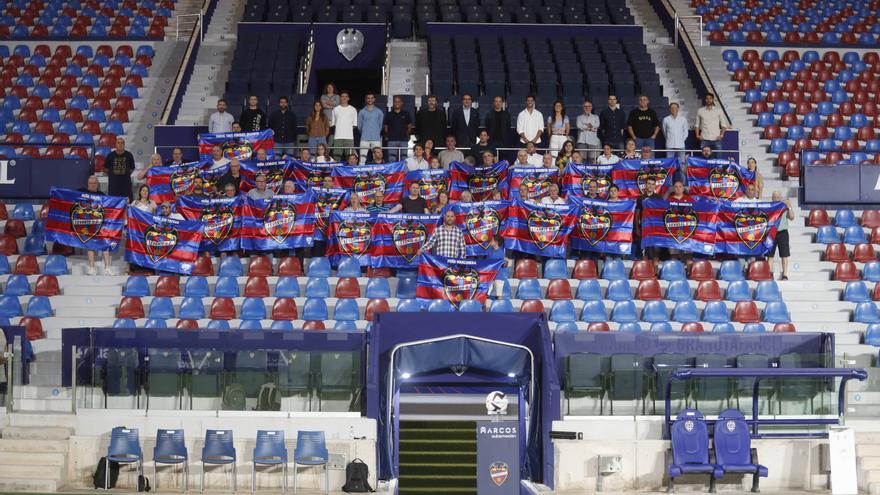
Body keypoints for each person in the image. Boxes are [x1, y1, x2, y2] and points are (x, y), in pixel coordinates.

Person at [79, 175, 113, 275]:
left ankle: (107, 267)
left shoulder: (102, 194)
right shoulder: (82, 192)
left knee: (105, 245)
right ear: (88, 184)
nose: (92, 185)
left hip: (100, 224)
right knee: (90, 245)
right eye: (90, 183)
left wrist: (124, 200)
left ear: (97, 184)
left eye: (94, 183)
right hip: (87, 224)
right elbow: (68, 195)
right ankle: (91, 268)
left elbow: (111, 205)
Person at [769, 190, 795, 280]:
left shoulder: (784, 207)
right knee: (770, 255)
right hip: (771, 233)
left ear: (780, 198)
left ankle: (785, 275)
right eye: (774, 197)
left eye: (778, 197)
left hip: (783, 233)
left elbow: (792, 217)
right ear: (772, 198)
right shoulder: (769, 207)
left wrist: (789, 206)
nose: (776, 199)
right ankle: (769, 274)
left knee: (784, 255)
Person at [384, 95, 413, 162]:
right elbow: (386, 126)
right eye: (395, 102)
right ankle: (392, 172)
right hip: (392, 140)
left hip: (403, 140)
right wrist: (388, 134)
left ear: (401, 103)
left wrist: (407, 134)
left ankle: (403, 172)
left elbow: (410, 125)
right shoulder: (389, 114)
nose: (397, 103)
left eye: (398, 101)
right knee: (392, 159)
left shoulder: (406, 114)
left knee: (404, 158)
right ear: (393, 103)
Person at [358, 93, 384, 164]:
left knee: (378, 158)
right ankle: (361, 174)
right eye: (368, 98)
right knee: (362, 159)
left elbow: (380, 125)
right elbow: (359, 126)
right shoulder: (362, 112)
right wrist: (364, 132)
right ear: (366, 99)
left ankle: (378, 174)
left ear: (374, 99)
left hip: (376, 138)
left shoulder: (379, 112)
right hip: (364, 138)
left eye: (372, 98)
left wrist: (376, 132)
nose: (370, 99)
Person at [331, 90, 358, 158]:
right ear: (340, 98)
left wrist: (346, 131)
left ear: (348, 98)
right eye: (342, 96)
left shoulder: (353, 109)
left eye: (346, 96)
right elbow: (333, 124)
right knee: (336, 157)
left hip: (349, 137)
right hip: (337, 137)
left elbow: (354, 125)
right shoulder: (335, 109)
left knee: (350, 157)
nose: (344, 98)